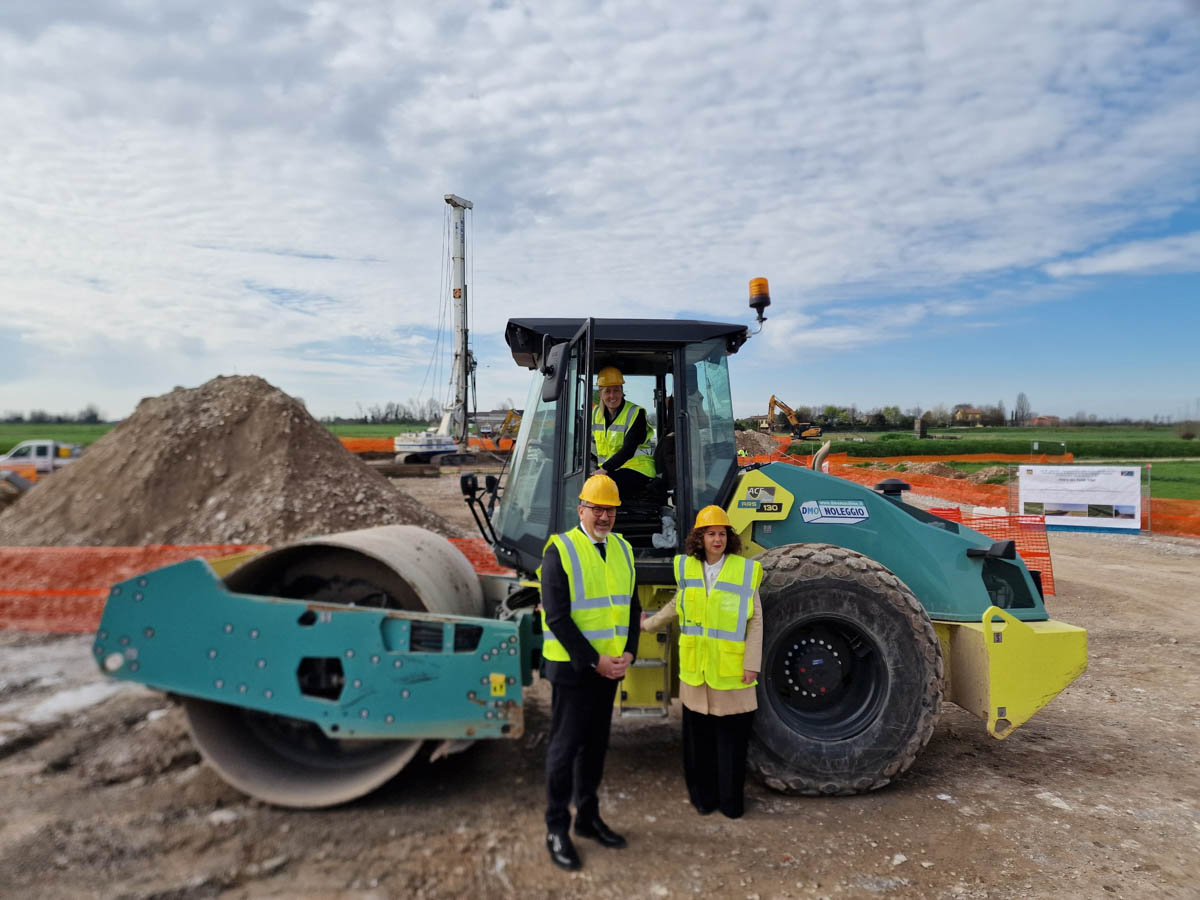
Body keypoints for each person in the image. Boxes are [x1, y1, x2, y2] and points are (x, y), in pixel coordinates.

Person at [539, 472, 642, 870]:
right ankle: (556, 828)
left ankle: (587, 817)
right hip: (574, 670)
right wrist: (594, 660)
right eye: (596, 508)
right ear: (581, 508)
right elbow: (558, 618)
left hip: (609, 670)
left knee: (595, 747)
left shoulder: (623, 549)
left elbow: (631, 607)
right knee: (564, 750)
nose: (603, 516)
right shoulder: (560, 551)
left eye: (610, 509)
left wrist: (629, 652)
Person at [643, 505, 762, 819]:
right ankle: (703, 801)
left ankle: (731, 804)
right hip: (697, 673)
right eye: (711, 533)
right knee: (698, 745)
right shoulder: (687, 569)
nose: (717, 539)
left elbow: (756, 622)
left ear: (729, 538)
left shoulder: (745, 570)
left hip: (731, 673)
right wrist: (650, 624)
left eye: (722, 533)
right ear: (700, 538)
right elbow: (676, 605)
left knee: (731, 744)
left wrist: (752, 663)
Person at [592, 366, 656, 500]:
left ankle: (605, 519)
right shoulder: (596, 414)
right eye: (607, 391)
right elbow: (589, 442)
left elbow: (628, 449)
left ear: (622, 392)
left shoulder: (635, 414)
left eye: (616, 390)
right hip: (613, 469)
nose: (612, 396)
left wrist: (604, 469)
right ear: (600, 394)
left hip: (638, 468)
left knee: (601, 488)